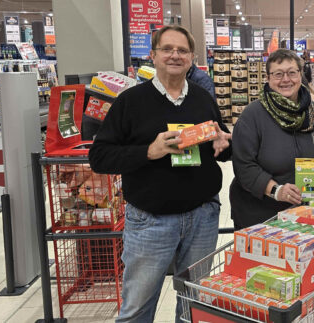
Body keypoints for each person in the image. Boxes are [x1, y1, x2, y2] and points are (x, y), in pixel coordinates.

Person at [88, 25, 232, 323]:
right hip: (150, 221)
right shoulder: (130, 101)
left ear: (193, 57)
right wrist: (148, 151)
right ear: (153, 55)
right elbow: (99, 157)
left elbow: (219, 149)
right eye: (167, 49)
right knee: (138, 308)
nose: (175, 56)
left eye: (182, 50)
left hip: (202, 216)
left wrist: (224, 143)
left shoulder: (203, 100)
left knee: (194, 305)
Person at [230, 49, 314, 229]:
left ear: (300, 75)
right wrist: (276, 190)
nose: (286, 79)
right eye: (278, 74)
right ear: (268, 78)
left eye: (292, 73)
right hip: (261, 215)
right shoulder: (252, 116)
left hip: (307, 212)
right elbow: (244, 165)